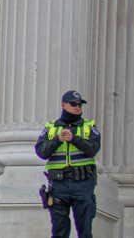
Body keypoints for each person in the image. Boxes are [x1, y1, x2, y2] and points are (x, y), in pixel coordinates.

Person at [35, 90, 101, 238]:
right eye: (73, 104)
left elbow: (93, 149)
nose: (77, 107)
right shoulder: (51, 128)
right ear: (63, 105)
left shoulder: (89, 127)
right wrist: (58, 139)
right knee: (59, 231)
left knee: (85, 231)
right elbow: (41, 152)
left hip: (83, 184)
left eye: (79, 104)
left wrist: (74, 139)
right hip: (59, 185)